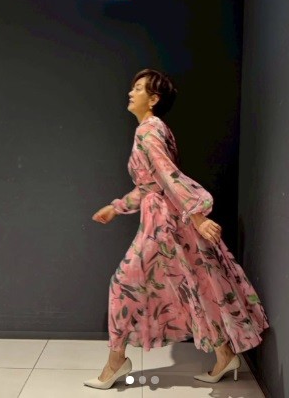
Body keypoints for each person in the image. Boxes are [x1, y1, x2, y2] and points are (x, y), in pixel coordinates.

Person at [84, 69, 269, 390]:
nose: (131, 92)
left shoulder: (149, 131)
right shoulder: (153, 130)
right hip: (164, 220)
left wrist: (198, 216)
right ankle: (225, 354)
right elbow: (151, 185)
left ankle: (116, 362)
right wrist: (116, 207)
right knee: (192, 286)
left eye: (138, 89)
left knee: (123, 285)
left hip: (165, 224)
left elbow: (169, 176)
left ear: (153, 99)